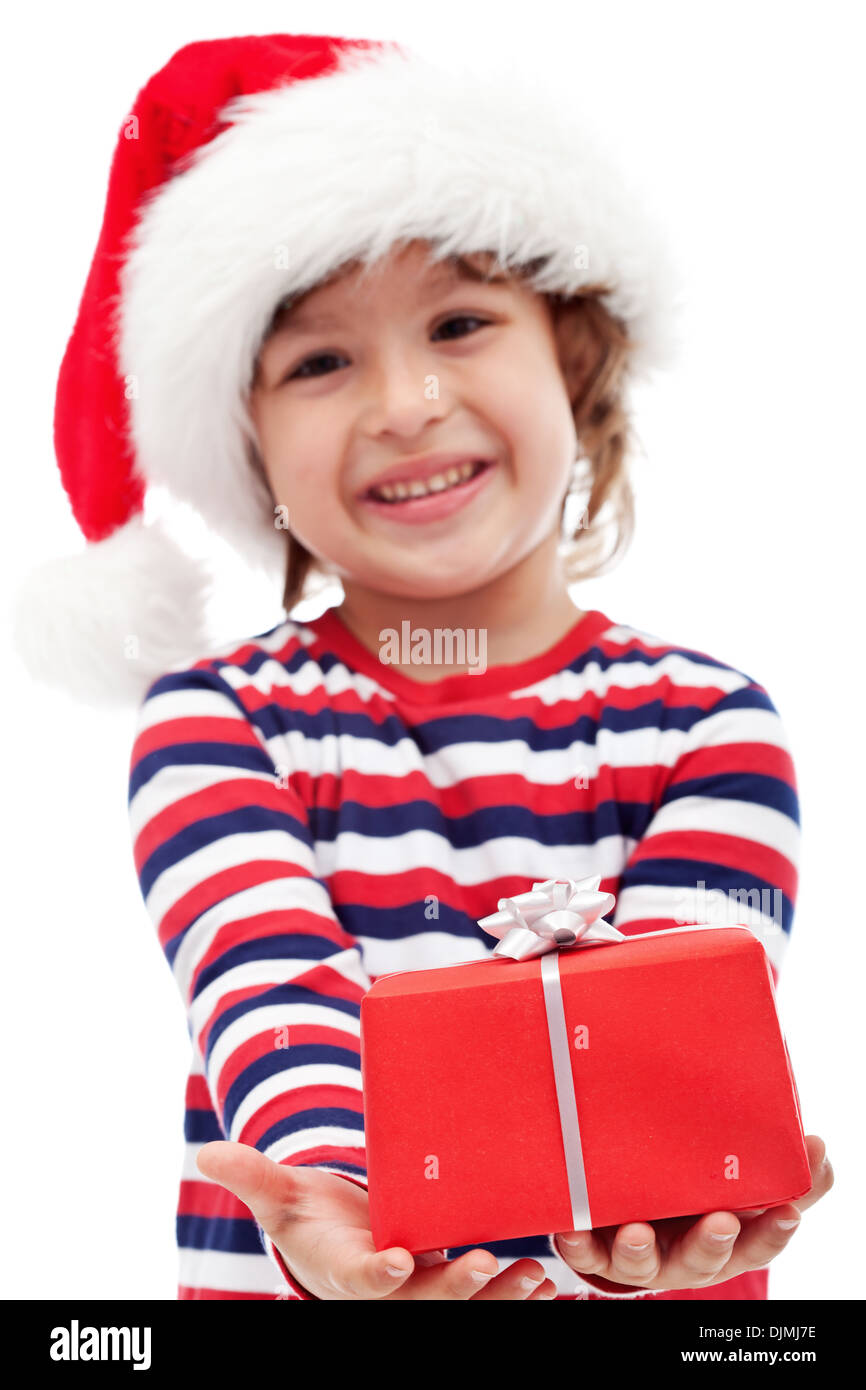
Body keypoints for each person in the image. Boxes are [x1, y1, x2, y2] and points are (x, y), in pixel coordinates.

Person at [16, 32, 832, 1300]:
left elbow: (668, 1047)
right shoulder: (222, 721)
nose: (403, 402)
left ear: (572, 357)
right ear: (248, 444)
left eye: (458, 321)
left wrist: (649, 1213)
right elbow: (266, 979)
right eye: (317, 361)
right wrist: (348, 1205)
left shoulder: (706, 722)